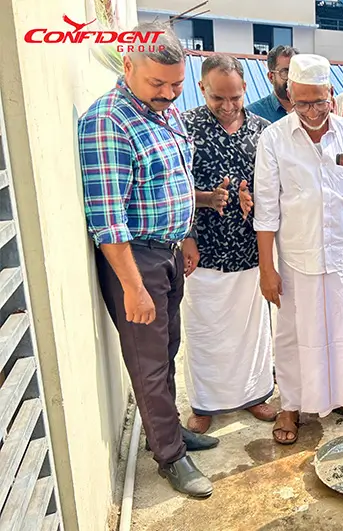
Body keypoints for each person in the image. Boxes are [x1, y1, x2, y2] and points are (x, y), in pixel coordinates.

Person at [78, 22, 216, 498]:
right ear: (128, 65)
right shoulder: (107, 121)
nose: (169, 94)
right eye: (157, 84)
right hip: (135, 260)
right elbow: (107, 218)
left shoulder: (167, 114)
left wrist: (188, 236)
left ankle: (170, 431)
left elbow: (179, 177)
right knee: (149, 362)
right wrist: (133, 287)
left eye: (177, 84)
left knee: (168, 348)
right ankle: (169, 457)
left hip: (170, 251)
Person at [253, 54, 343, 445]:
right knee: (293, 333)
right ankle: (291, 404)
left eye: (318, 101)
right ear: (289, 95)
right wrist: (266, 268)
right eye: (302, 102)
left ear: (331, 95)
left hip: (341, 253)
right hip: (296, 258)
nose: (311, 111)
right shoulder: (274, 139)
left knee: (342, 328)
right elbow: (267, 209)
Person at [180, 55, 277, 434]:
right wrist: (194, 224)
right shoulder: (185, 128)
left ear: (245, 90)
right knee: (205, 330)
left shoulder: (262, 131)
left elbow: (272, 187)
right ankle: (204, 403)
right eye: (218, 97)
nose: (227, 106)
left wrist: (251, 198)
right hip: (202, 250)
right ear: (202, 88)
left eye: (234, 97)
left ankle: (253, 394)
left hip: (249, 249)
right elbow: (176, 188)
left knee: (251, 331)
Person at [247, 45, 298, 123]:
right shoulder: (253, 114)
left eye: (295, 72)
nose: (292, 78)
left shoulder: (314, 110)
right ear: (271, 77)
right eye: (285, 72)